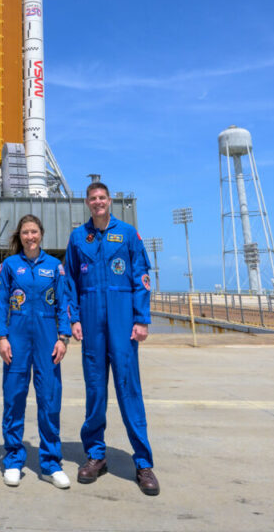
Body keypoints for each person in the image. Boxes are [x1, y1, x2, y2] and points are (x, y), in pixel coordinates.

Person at [63, 181, 160, 496]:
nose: (98, 202)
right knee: (95, 391)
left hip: (122, 322)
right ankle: (95, 455)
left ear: (110, 201)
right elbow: (70, 283)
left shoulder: (128, 234)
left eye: (102, 197)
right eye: (92, 198)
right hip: (91, 322)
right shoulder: (78, 237)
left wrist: (141, 319)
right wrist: (74, 319)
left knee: (129, 391)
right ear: (87, 203)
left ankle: (143, 463)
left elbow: (140, 276)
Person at [0, 214, 73, 489]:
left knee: (49, 399)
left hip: (47, 337)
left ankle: (51, 463)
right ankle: (14, 459)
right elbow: (1, 303)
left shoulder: (55, 266)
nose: (30, 237)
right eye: (26, 232)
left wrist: (63, 338)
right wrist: (1, 337)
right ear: (20, 235)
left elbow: (64, 304)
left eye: (34, 232)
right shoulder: (10, 266)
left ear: (42, 234)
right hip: (16, 337)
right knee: (14, 397)